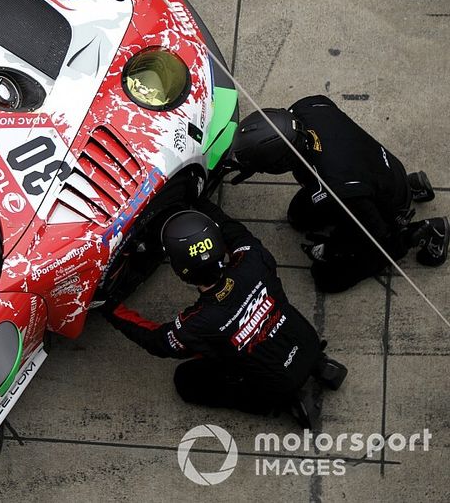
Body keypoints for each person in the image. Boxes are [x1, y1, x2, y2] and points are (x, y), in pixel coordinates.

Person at [106, 199, 345, 428]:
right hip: (308, 341)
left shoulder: (197, 323)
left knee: (186, 379)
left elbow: (156, 341)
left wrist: (111, 308)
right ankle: (319, 365)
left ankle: (285, 404)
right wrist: (198, 203)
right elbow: (233, 230)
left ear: (182, 273)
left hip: (279, 384)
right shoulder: (253, 259)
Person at [231, 95, 448, 293]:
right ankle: (409, 185)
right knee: (297, 216)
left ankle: (423, 231)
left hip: (371, 198)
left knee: (327, 278)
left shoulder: (338, 188)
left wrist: (332, 249)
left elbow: (375, 233)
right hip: (377, 167)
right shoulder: (308, 107)